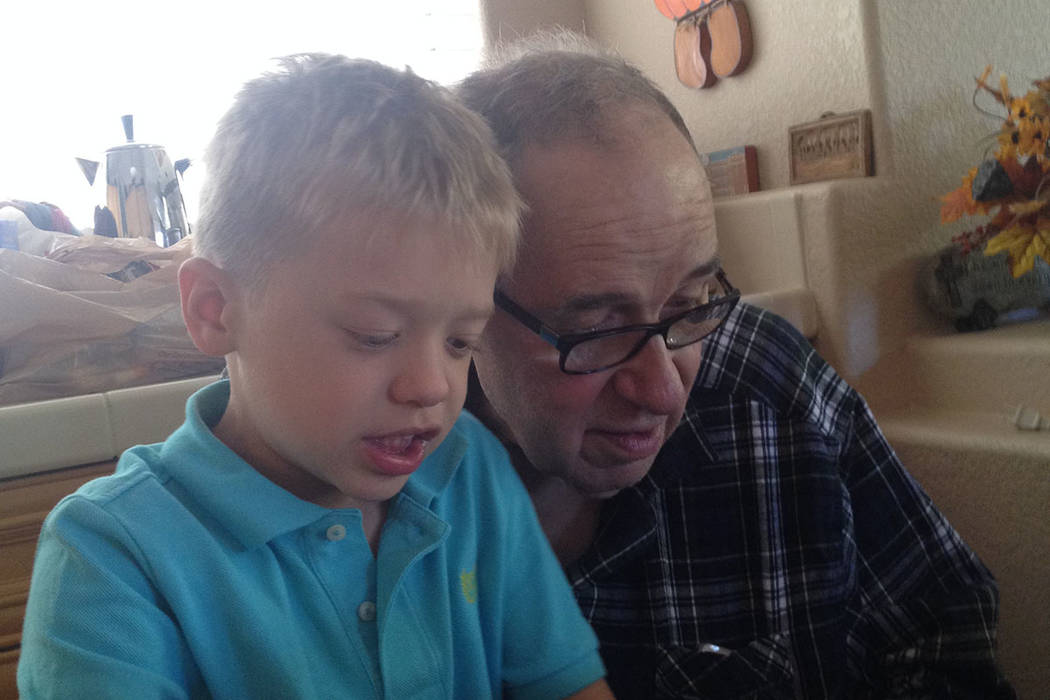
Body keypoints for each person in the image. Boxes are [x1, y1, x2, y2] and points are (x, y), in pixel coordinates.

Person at [18, 54, 612, 700]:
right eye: (374, 335)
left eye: (459, 342)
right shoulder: (113, 556)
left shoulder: (468, 471)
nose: (432, 387)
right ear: (215, 310)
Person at [458, 32, 1014, 699]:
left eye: (690, 301)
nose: (664, 391)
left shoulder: (770, 391)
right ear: (465, 310)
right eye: (597, 328)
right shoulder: (375, 491)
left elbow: (946, 637)